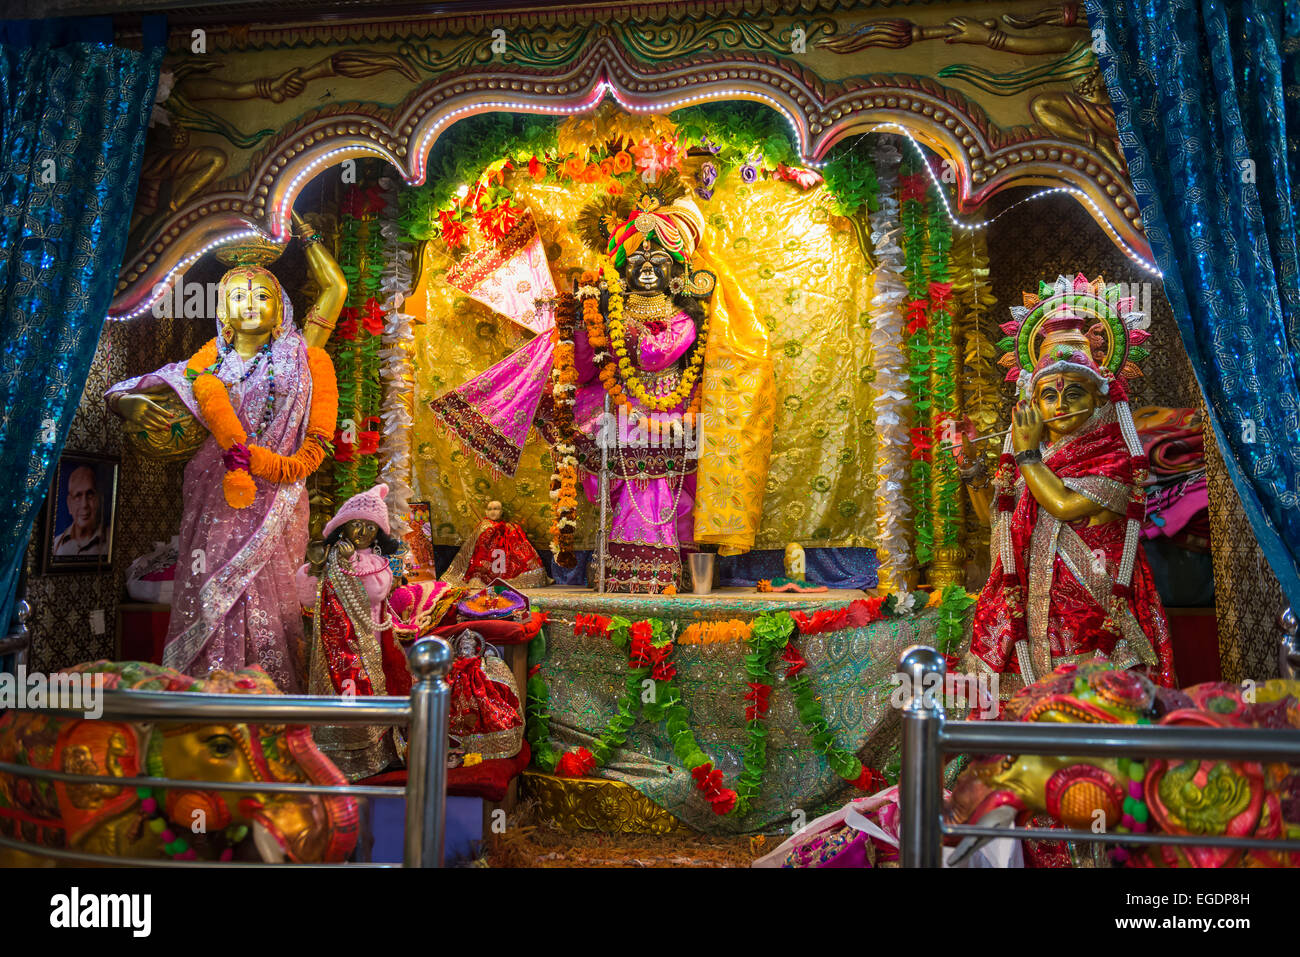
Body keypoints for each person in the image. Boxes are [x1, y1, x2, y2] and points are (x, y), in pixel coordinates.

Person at [106, 215, 345, 691]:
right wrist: (125, 401)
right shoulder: (207, 365)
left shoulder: (301, 351)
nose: (250, 303)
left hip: (277, 498)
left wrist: (308, 235)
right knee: (211, 591)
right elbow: (136, 385)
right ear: (223, 312)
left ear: (280, 310)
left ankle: (269, 706)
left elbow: (335, 289)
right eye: (238, 295)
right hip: (216, 499)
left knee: (271, 600)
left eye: (262, 296)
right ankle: (203, 697)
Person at [958, 277, 1175, 704]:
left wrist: (1028, 458)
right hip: (1030, 610)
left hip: (1092, 613)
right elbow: (998, 522)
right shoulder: (1031, 457)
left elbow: (1062, 505)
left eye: (1073, 392)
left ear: (1099, 399)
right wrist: (972, 471)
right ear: (1031, 403)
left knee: (1097, 718)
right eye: (1048, 395)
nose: (1059, 405)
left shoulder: (1114, 455)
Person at [52, 466, 109, 557]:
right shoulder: (55, 546)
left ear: (99, 499)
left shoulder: (112, 541)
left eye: (90, 495)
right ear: (69, 504)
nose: (84, 505)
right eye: (78, 496)